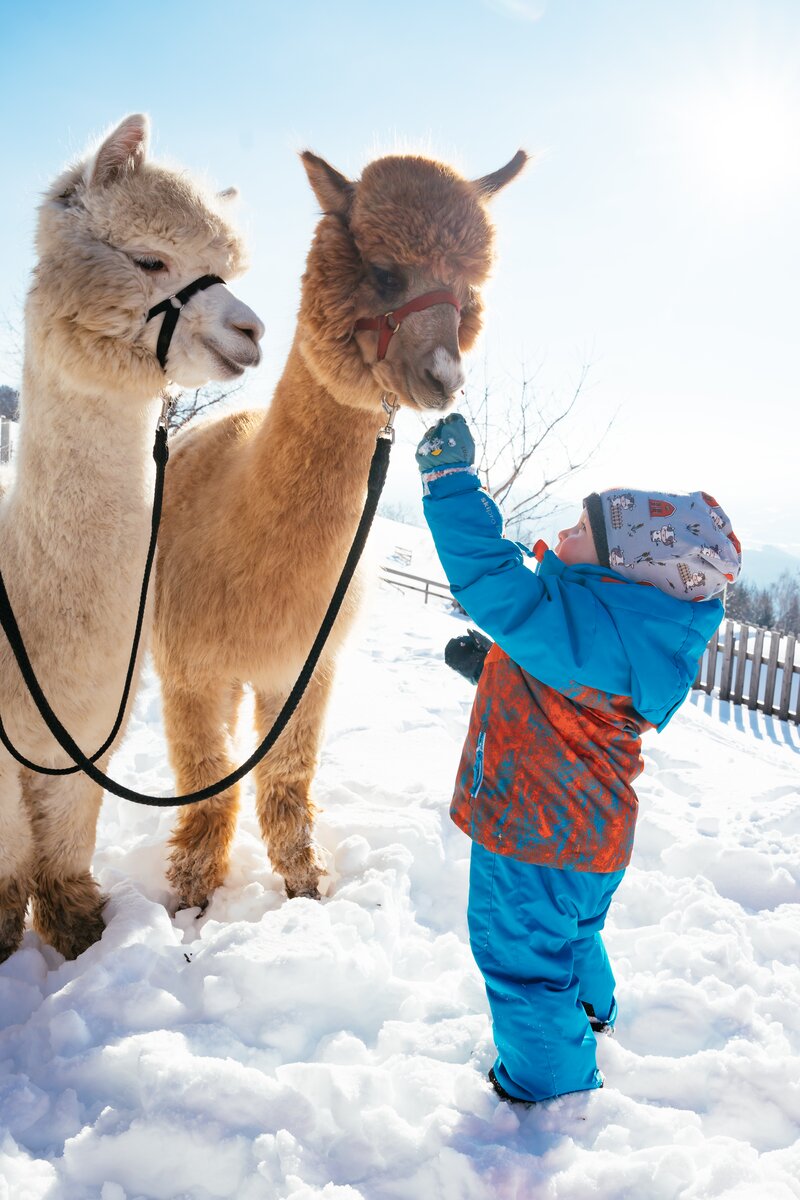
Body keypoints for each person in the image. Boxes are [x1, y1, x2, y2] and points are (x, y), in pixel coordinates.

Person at [415, 413, 741, 1105]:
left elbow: (487, 577)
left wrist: (449, 482)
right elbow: (578, 696)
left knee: (521, 964)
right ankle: (594, 1014)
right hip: (590, 839)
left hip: (535, 835)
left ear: (623, 570)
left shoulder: (584, 624)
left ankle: (547, 1091)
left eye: (580, 533)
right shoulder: (636, 634)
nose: (560, 536)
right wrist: (501, 671)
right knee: (570, 936)